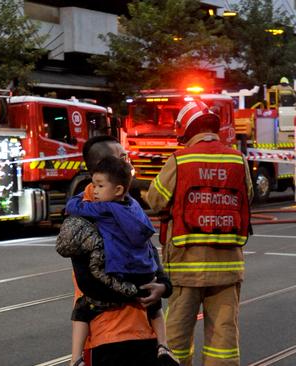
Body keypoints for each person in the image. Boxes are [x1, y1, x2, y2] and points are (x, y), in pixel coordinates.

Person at [146, 100, 253, 366]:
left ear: (187, 131)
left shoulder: (180, 159)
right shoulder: (237, 159)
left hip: (187, 267)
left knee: (177, 337)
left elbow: (156, 199)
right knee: (223, 338)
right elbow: (247, 197)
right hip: (228, 267)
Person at [56, 135, 172, 366]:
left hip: (143, 332)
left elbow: (149, 254)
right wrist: (135, 291)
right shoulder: (83, 218)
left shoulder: (128, 205)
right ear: (104, 167)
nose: (128, 163)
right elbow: (90, 281)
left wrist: (163, 286)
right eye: (122, 157)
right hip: (107, 336)